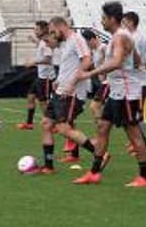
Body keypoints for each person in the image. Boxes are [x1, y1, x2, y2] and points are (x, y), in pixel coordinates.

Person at [72, 2, 146, 186]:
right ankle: (94, 172)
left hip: (126, 94)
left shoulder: (120, 37)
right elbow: (137, 58)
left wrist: (90, 73)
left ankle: (144, 176)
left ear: (112, 19)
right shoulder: (120, 36)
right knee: (102, 128)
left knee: (133, 134)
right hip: (117, 92)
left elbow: (116, 62)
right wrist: (135, 65)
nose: (102, 21)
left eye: (104, 18)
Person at [32, 17, 101, 174]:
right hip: (60, 91)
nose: (53, 35)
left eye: (52, 31)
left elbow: (87, 60)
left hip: (72, 93)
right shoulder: (67, 43)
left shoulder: (77, 39)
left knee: (63, 128)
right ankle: (48, 167)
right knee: (46, 124)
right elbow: (69, 66)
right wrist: (58, 80)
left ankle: (99, 153)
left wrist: (72, 83)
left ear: (60, 26)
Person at [18, 21, 54, 130]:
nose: (35, 31)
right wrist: (35, 41)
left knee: (43, 101)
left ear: (43, 30)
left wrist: (34, 62)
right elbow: (41, 46)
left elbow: (48, 59)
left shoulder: (47, 42)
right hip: (40, 76)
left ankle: (50, 124)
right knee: (30, 97)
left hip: (46, 77)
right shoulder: (42, 42)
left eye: (37, 29)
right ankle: (29, 123)